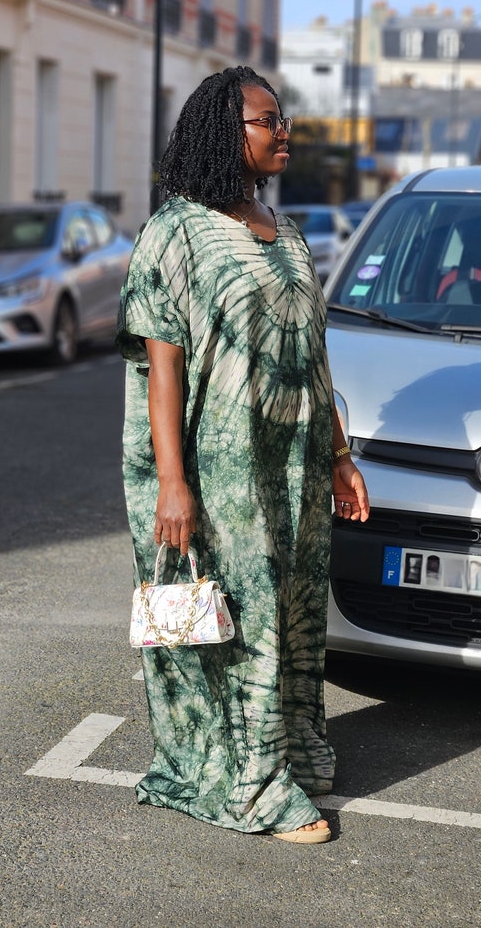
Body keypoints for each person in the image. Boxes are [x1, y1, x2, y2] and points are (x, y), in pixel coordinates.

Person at [116, 66, 369, 845]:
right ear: (228, 130)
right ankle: (252, 785)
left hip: (292, 460)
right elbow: (163, 369)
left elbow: (310, 353)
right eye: (267, 120)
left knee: (293, 609)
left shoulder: (286, 232)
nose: (283, 130)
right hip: (219, 471)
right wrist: (172, 483)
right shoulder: (177, 230)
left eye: (283, 117)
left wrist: (338, 453)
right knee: (244, 615)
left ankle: (289, 744)